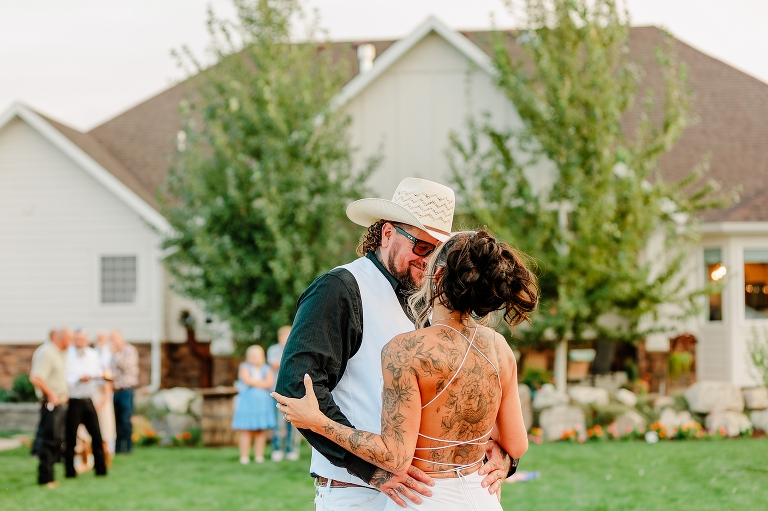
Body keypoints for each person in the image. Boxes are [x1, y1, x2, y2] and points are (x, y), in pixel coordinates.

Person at [275, 178, 514, 510]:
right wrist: (372, 471)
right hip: (357, 493)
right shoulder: (339, 289)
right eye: (421, 247)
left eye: (438, 252)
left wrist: (503, 453)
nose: (429, 262)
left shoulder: (437, 300)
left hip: (429, 496)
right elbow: (298, 390)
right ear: (387, 233)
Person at [29, 328, 72, 487]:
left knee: (57, 440)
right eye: (70, 338)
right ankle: (45, 477)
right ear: (62, 338)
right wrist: (52, 394)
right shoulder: (47, 353)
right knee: (49, 440)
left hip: (60, 403)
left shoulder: (60, 353)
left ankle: (51, 475)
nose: (72, 342)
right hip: (50, 404)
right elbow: (36, 377)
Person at [65, 330, 107, 478]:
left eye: (82, 339)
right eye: (77, 339)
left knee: (96, 434)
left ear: (87, 340)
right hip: (73, 399)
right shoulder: (67, 355)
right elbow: (66, 377)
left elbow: (98, 373)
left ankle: (101, 469)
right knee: (70, 437)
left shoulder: (92, 355)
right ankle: (70, 471)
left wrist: (98, 377)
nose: (80, 342)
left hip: (88, 399)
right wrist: (78, 378)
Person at [232, 345, 276, 464]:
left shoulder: (267, 368)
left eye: (256, 355)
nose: (253, 358)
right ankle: (244, 456)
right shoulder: (244, 367)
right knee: (246, 430)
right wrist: (261, 383)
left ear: (262, 356)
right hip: (247, 404)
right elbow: (247, 380)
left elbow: (269, 383)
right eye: (251, 355)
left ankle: (258, 456)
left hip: (262, 405)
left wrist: (255, 383)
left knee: (260, 431)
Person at [267, 325, 300, 462]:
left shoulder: (297, 347)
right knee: (277, 423)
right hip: (276, 391)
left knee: (292, 423)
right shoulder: (273, 350)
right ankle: (277, 449)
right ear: (279, 337)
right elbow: (275, 365)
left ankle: (290, 449)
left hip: (292, 391)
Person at [110, 330, 138, 454]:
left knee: (125, 419)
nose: (113, 341)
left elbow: (127, 366)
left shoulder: (129, 350)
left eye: (115, 338)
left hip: (126, 390)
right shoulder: (111, 352)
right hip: (114, 390)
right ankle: (117, 448)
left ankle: (127, 447)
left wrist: (115, 354)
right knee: (115, 420)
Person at [93, 331, 116, 455]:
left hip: (105, 389)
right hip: (94, 389)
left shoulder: (109, 353)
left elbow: (109, 372)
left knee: (106, 421)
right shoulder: (93, 353)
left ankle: (109, 447)